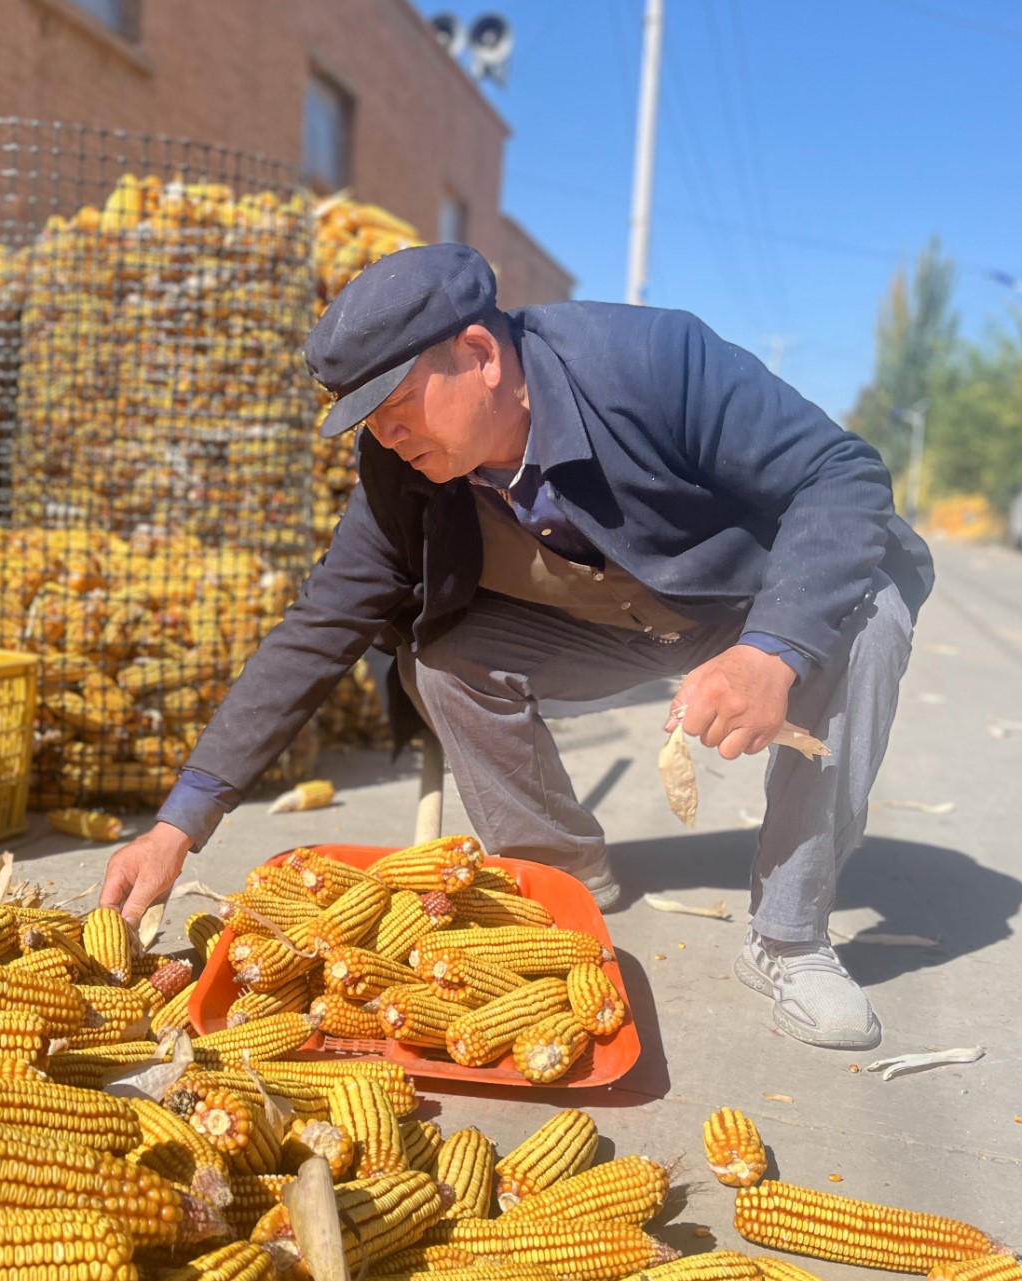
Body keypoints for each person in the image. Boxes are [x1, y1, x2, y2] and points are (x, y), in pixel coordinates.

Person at [98, 244, 933, 1050]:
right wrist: (180, 823)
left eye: (398, 407)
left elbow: (841, 476)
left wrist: (771, 650)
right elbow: (320, 624)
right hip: (605, 620)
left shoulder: (649, 360)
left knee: (869, 617)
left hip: (741, 602)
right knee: (441, 652)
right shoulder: (401, 466)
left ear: (478, 354)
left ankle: (786, 935)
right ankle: (562, 876)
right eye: (369, 421)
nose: (387, 438)